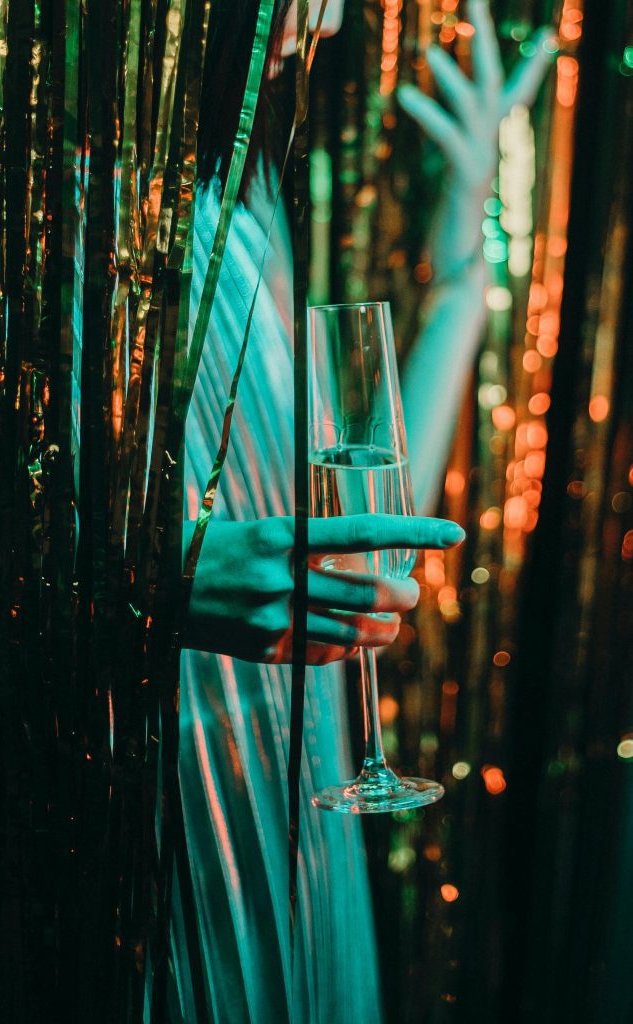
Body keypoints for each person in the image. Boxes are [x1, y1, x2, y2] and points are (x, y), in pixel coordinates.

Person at [162, 1, 555, 1020]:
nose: (332, 19)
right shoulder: (14, 216)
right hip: (159, 819)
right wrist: (154, 583)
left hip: (297, 787)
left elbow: (354, 533)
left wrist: (461, 266)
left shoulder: (240, 202)